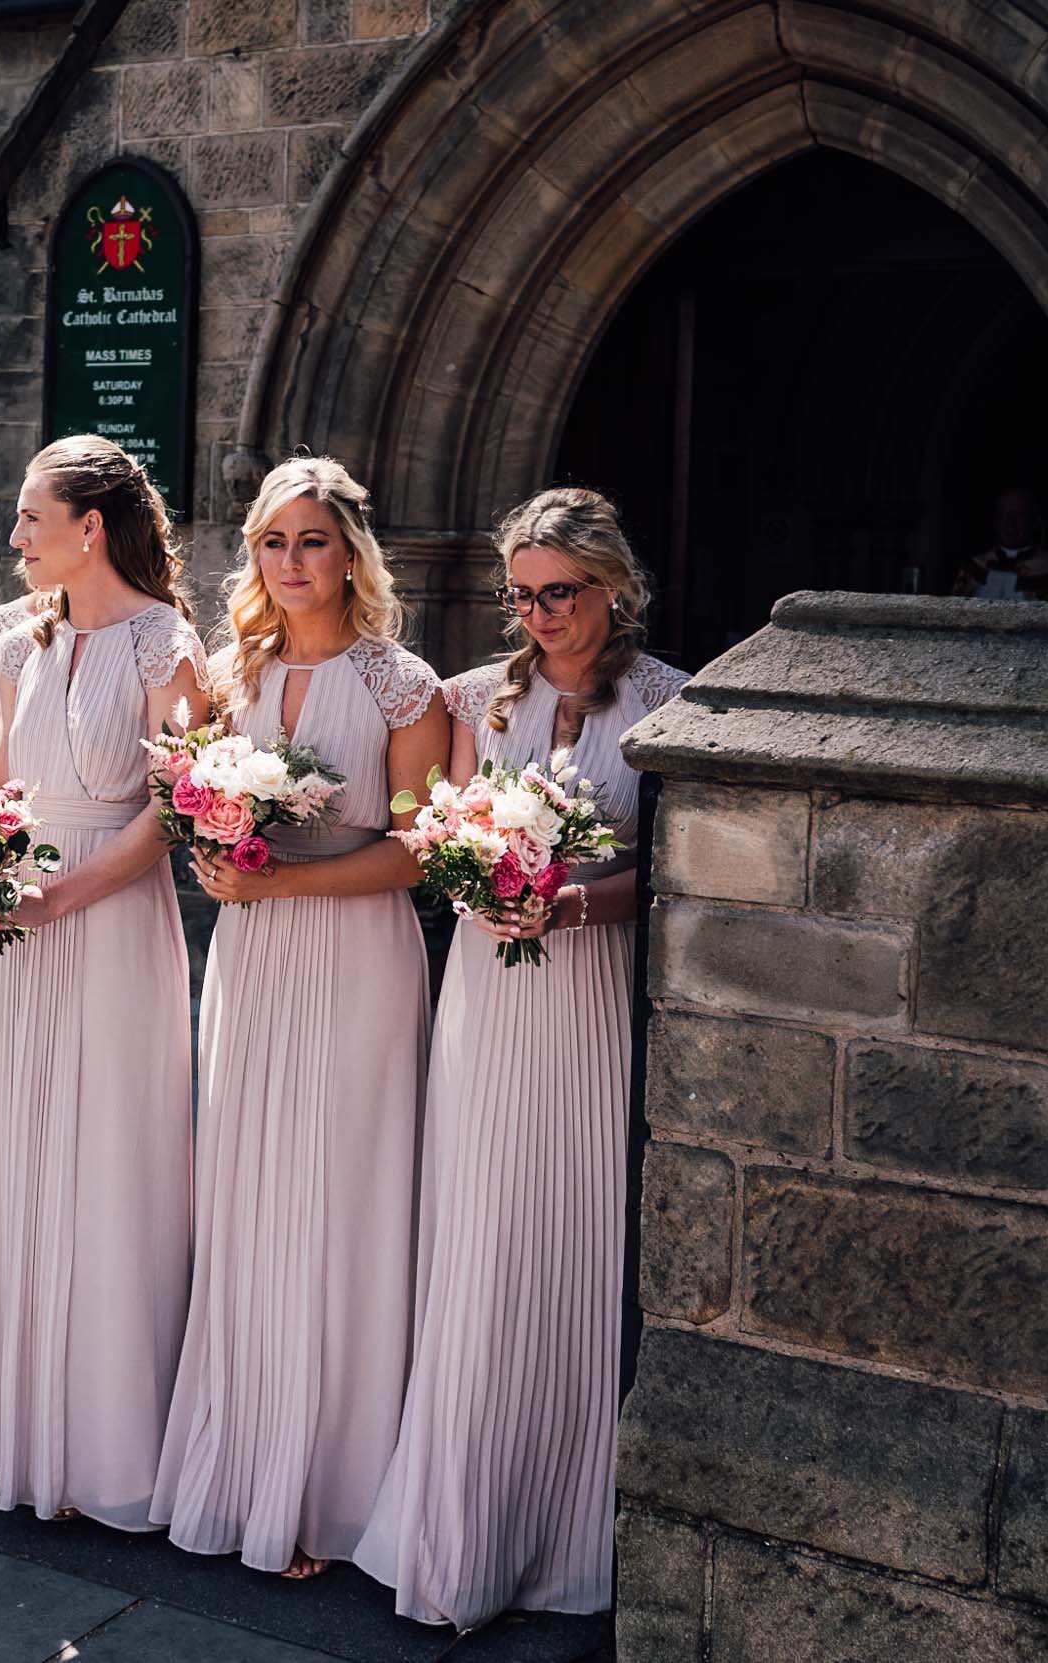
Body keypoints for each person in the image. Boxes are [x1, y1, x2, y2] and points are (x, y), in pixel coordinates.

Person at [354, 487, 688, 1629]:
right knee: (478, 1233)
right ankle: (455, 1527)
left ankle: (554, 1530)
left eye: (559, 592)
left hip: (587, 1002)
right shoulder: (470, 701)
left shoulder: (669, 703)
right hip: (484, 998)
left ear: (612, 589)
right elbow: (431, 838)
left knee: (565, 1231)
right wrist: (476, 877)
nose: (539, 614)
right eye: (521, 594)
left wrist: (574, 906)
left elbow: (677, 875)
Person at [151, 457, 445, 1578]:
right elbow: (189, 802)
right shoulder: (231, 675)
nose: (290, 563)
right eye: (272, 543)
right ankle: (233, 1468)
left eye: (312, 541)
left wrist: (277, 881)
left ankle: (324, 1492)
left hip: (355, 958)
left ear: (351, 552)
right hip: (254, 960)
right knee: (249, 1189)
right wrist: (223, 845)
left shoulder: (401, 683)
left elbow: (418, 848)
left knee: (338, 1195)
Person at [0, 434, 208, 1530]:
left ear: (87, 527)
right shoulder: (15, 645)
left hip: (108, 919)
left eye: (29, 517)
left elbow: (174, 806)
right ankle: (28, 1428)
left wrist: (67, 894)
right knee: (21, 1146)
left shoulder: (165, 643)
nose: (14, 538)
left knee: (107, 1154)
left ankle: (109, 1443)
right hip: (21, 924)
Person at [950, 485, 1048, 601]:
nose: (1010, 524)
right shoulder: (973, 569)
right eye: (1004, 515)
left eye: (1019, 515)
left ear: (1033, 521)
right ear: (995, 521)